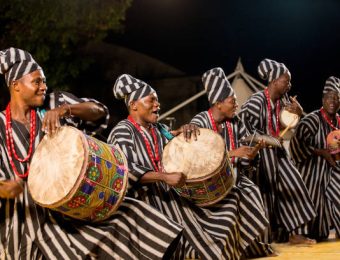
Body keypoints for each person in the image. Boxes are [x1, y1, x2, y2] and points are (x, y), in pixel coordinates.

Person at [0, 47, 183, 259]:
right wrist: (5, 189)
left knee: (131, 214)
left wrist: (66, 110)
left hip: (67, 210)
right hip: (22, 219)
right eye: (37, 82)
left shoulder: (54, 102)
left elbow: (99, 111)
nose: (44, 87)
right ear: (16, 86)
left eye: (44, 81)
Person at [108, 73, 269, 260]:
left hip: (169, 193)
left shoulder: (158, 129)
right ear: (134, 105)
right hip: (146, 200)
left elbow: (178, 145)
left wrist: (184, 131)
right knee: (198, 233)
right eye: (151, 100)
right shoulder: (122, 131)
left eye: (157, 101)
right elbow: (125, 170)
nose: (157, 105)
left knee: (231, 202)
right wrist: (164, 178)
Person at [190, 67, 274, 257]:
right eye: (232, 101)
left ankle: (248, 247)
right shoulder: (199, 121)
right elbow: (196, 158)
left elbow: (245, 153)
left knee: (252, 192)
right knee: (231, 204)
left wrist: (251, 155)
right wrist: (232, 153)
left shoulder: (235, 122)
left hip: (235, 177)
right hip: (207, 184)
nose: (237, 104)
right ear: (218, 103)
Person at [238, 58, 316, 244]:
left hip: (278, 155)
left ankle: (296, 233)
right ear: (274, 81)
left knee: (295, 185)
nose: (289, 84)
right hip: (259, 156)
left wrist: (298, 112)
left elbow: (288, 125)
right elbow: (243, 130)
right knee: (265, 196)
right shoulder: (256, 101)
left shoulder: (284, 102)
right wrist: (269, 139)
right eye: (286, 80)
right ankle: (268, 237)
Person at [289, 76, 340, 241]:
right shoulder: (312, 120)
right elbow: (296, 145)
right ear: (323, 100)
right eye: (329, 97)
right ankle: (300, 234)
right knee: (316, 230)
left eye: (336, 97)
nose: (332, 101)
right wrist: (321, 152)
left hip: (332, 173)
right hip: (312, 173)